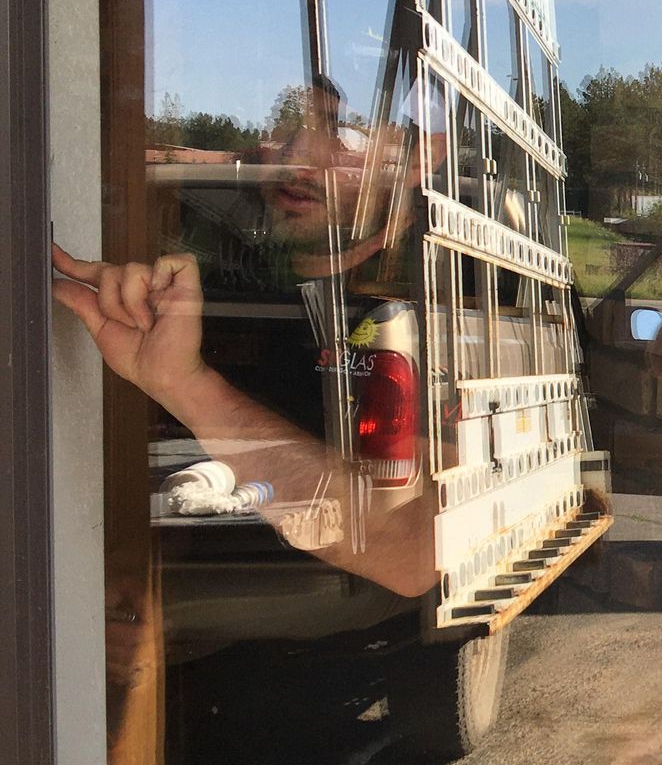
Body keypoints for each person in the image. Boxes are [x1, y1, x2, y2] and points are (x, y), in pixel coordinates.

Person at [52, 76, 440, 597]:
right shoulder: (195, 291)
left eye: (341, 134)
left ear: (416, 164)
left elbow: (408, 547)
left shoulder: (454, 301)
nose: (297, 157)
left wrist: (186, 385)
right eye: (283, 127)